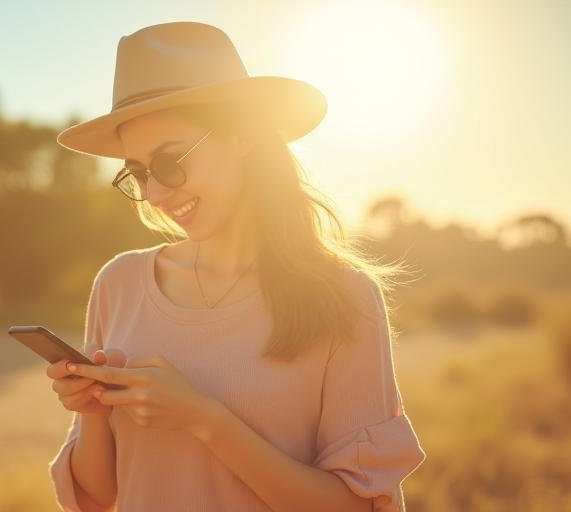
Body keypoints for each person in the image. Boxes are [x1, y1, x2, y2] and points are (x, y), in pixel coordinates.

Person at [45, 21, 426, 512]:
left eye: (170, 161)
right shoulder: (118, 284)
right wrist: (94, 411)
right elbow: (98, 497)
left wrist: (204, 419)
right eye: (138, 174)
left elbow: (355, 506)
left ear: (241, 136)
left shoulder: (344, 298)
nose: (157, 194)